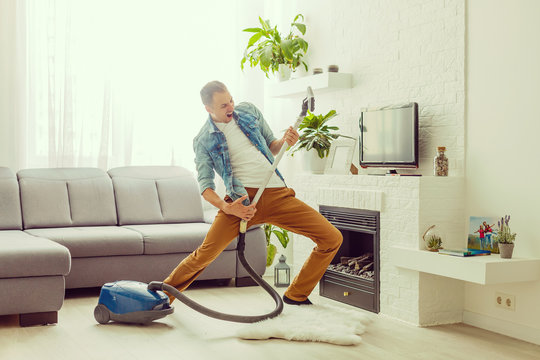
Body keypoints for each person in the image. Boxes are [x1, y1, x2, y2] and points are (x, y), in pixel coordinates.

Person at [163, 80, 342, 306]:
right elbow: (205, 187)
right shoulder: (203, 140)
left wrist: (285, 141)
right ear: (208, 109)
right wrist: (228, 207)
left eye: (230, 101)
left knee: (332, 238)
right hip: (241, 202)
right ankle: (161, 296)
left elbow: (272, 146)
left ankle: (296, 295)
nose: (230, 108)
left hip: (278, 194)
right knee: (205, 254)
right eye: (222, 106)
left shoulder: (248, 112)